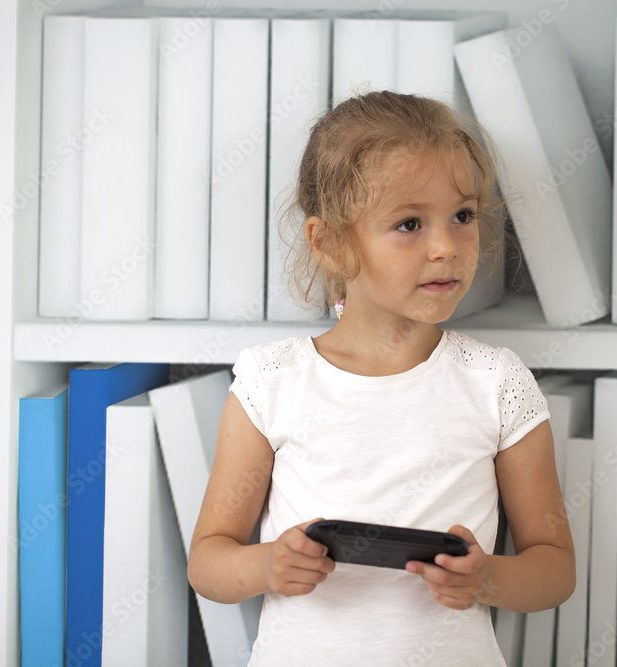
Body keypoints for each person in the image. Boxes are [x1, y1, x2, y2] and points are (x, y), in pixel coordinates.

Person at [187, 91, 574, 665]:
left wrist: (486, 578)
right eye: (409, 223)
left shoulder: (496, 382)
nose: (446, 247)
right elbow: (207, 563)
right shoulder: (271, 381)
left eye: (462, 216)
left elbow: (554, 569)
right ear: (329, 244)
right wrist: (267, 564)